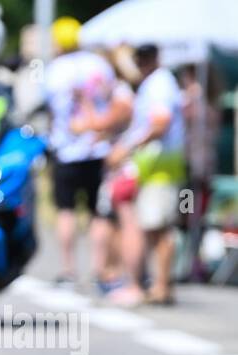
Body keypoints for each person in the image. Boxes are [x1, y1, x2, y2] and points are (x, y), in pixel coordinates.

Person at [43, 18, 131, 291]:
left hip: (66, 150)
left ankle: (68, 270)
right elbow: (116, 99)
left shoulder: (55, 70)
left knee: (66, 211)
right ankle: (98, 269)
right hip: (97, 148)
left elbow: (46, 108)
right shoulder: (98, 65)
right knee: (98, 212)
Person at [108, 44, 186, 306]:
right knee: (153, 228)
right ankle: (159, 284)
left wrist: (129, 147)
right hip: (153, 168)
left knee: (159, 228)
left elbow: (160, 124)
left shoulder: (160, 84)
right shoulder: (155, 83)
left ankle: (162, 285)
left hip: (162, 170)